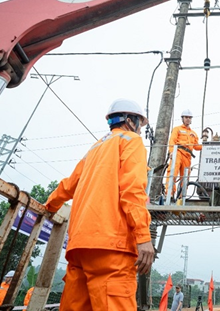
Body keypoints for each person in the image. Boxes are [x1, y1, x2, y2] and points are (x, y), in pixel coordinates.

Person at [44, 98, 155, 310]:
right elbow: (132, 191)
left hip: (79, 247)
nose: (140, 131)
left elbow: (68, 186)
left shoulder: (95, 148)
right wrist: (143, 237)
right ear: (131, 121)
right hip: (111, 247)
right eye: (140, 124)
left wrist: (49, 206)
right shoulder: (131, 141)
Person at [165, 109, 202, 199]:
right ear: (182, 118)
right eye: (186, 117)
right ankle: (169, 194)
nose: (188, 119)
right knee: (173, 172)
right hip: (178, 152)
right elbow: (172, 141)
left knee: (185, 177)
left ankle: (182, 196)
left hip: (187, 156)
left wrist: (206, 145)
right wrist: (171, 152)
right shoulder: (177, 129)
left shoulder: (193, 133)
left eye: (189, 118)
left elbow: (196, 147)